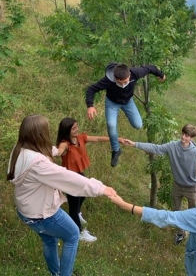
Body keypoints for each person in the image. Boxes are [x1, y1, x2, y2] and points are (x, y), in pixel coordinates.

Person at [7, 115, 117, 276]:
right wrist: (100, 188)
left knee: (49, 240)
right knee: (72, 235)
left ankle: (55, 272)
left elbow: (45, 151)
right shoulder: (39, 164)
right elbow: (67, 177)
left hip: (26, 210)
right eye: (46, 130)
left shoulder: (20, 149)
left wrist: (55, 150)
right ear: (39, 134)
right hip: (42, 214)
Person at [122, 124, 196, 245]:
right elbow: (156, 148)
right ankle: (180, 233)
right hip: (177, 186)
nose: (183, 137)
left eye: (187, 136)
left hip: (191, 188)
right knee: (175, 211)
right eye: (183, 134)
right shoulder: (172, 146)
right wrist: (135, 144)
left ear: (192, 138)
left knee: (193, 213)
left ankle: (194, 235)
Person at [55, 117, 124, 243]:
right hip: (70, 179)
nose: (77, 129)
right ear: (67, 130)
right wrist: (55, 151)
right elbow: (59, 151)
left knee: (84, 195)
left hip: (79, 174)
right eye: (73, 128)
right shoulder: (65, 144)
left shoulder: (80, 138)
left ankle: (77, 213)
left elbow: (97, 138)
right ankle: (79, 232)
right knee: (73, 206)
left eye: (77, 126)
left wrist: (116, 139)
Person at [85, 62, 166, 167]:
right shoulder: (108, 80)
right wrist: (90, 106)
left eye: (126, 81)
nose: (123, 85)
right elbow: (91, 89)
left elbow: (150, 68)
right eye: (120, 82)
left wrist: (161, 75)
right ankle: (116, 150)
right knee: (111, 125)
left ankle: (130, 124)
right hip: (112, 103)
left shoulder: (135, 73)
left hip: (128, 102)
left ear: (129, 76)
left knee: (138, 125)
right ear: (115, 78)